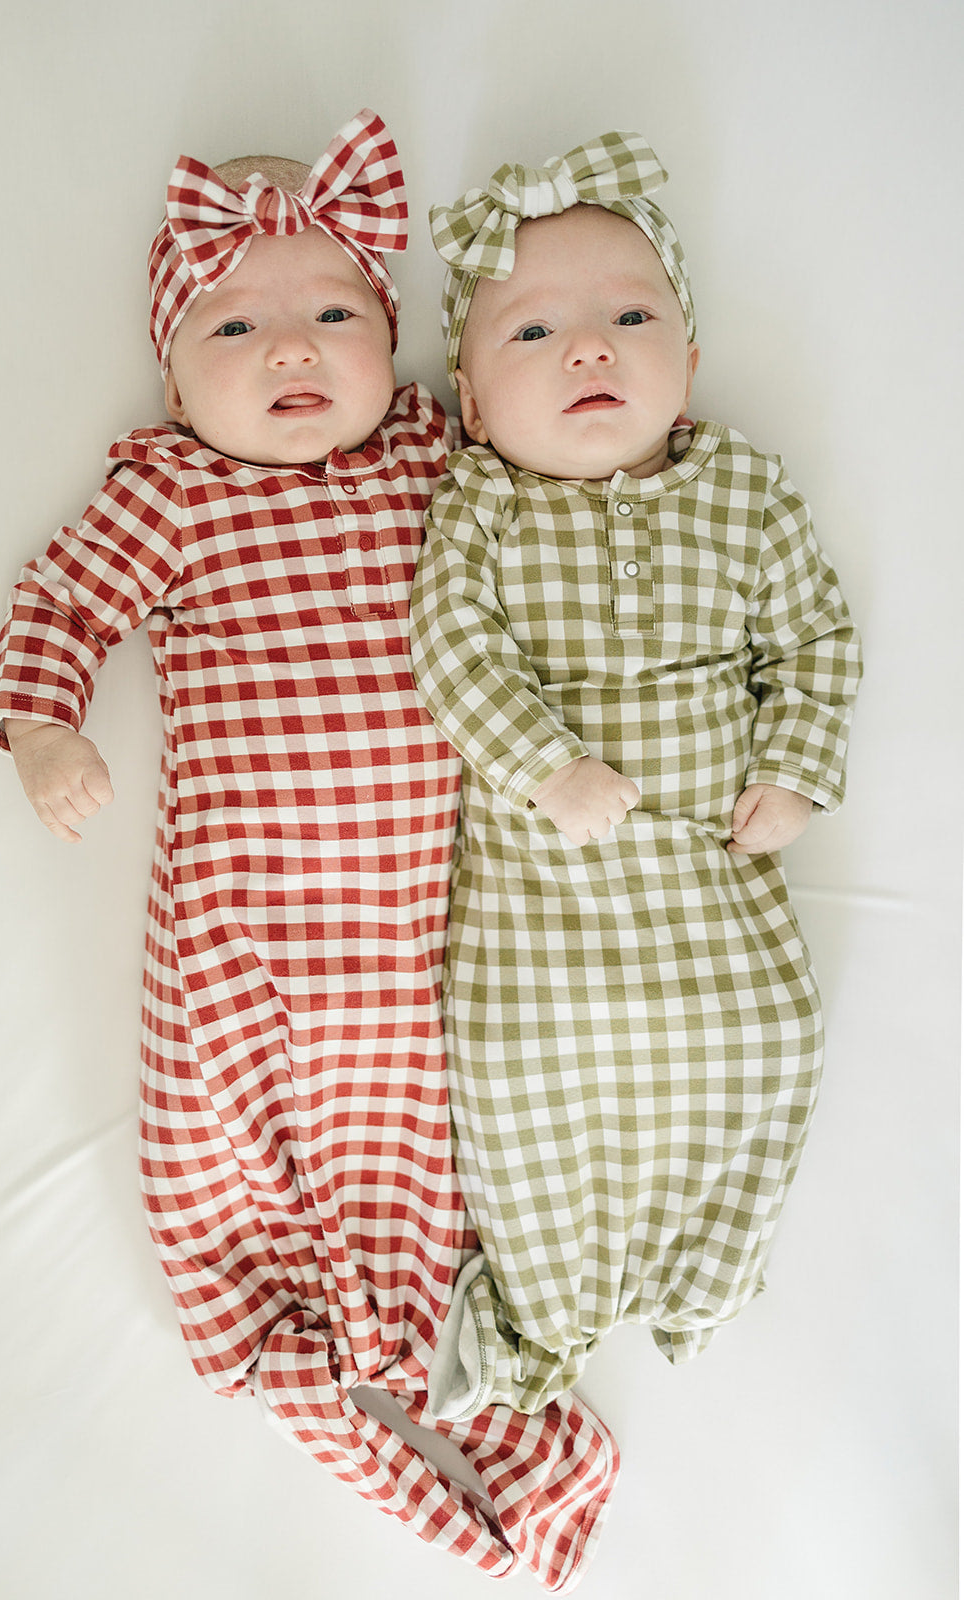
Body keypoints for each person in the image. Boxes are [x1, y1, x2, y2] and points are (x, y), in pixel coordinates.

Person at [0, 111, 618, 1591]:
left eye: (335, 312)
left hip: (419, 930)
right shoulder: (172, 491)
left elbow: (545, 461)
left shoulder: (430, 455)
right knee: (228, 1169)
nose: (291, 350)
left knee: (433, 1170)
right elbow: (60, 601)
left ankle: (510, 1421)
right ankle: (298, 1356)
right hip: (236, 934)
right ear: (171, 371)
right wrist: (44, 732)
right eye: (237, 323)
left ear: (397, 347)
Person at [409, 130, 862, 1421]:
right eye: (534, 333)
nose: (591, 348)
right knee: (516, 1067)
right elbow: (450, 650)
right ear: (477, 408)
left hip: (705, 872)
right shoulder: (482, 505)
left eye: (628, 315)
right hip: (544, 886)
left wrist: (795, 771)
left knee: (768, 1037)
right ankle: (543, 1306)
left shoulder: (745, 494)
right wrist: (544, 765)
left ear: (692, 362)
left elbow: (816, 638)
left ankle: (703, 1274)